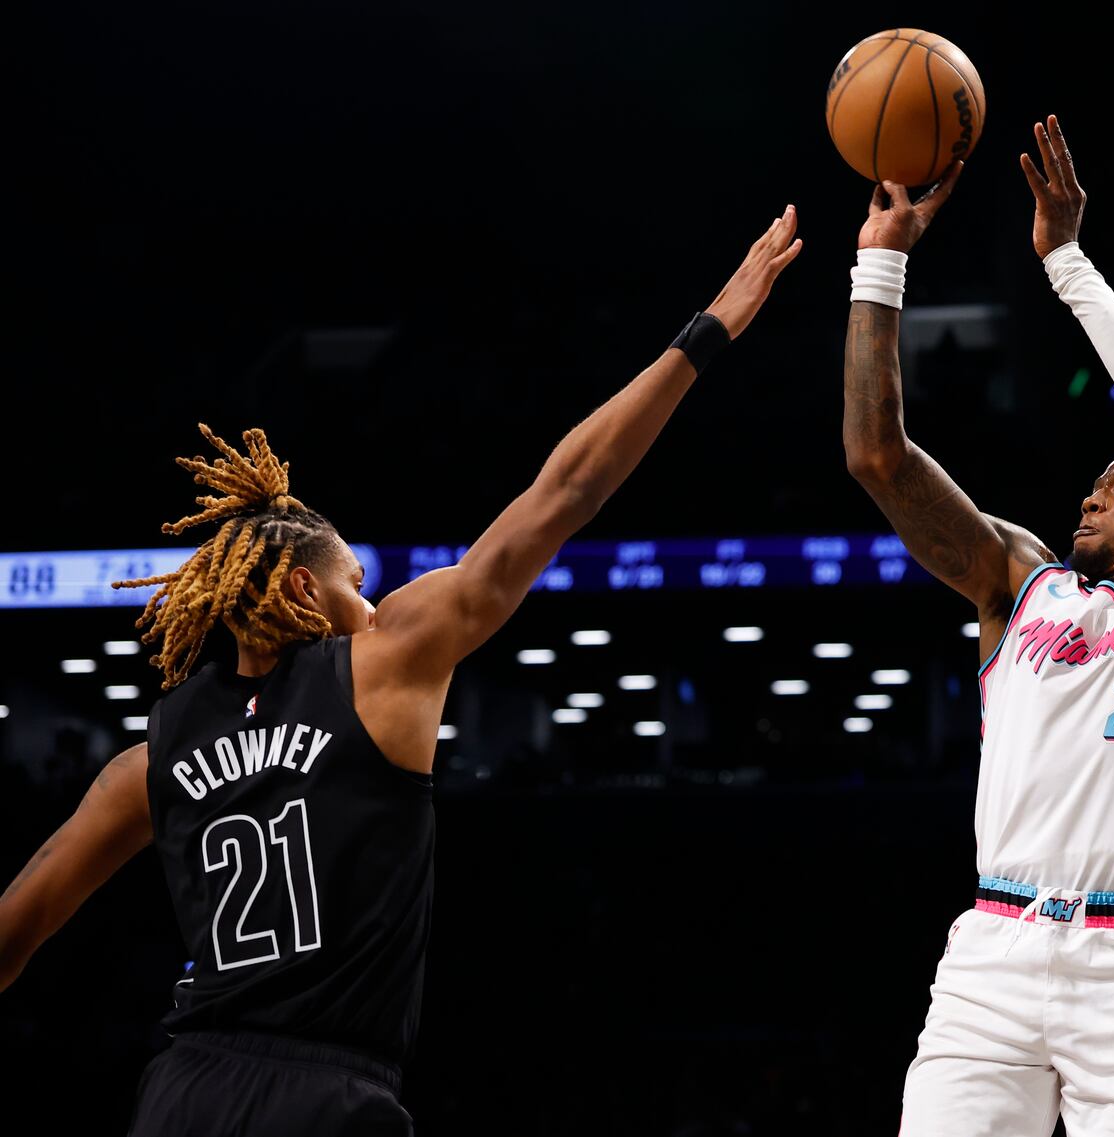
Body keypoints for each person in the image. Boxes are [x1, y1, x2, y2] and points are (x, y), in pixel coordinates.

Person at [0, 206, 802, 1135]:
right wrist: (708, 332)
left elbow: (17, 926)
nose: (373, 603)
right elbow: (564, 492)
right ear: (306, 590)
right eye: (358, 584)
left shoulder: (151, 759)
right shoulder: (384, 662)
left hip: (183, 1093)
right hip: (328, 1096)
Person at [842, 117, 1114, 1135]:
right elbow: (877, 459)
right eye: (1091, 482)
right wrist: (879, 270)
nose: (1092, 496)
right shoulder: (1016, 584)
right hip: (992, 952)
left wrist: (1067, 265)